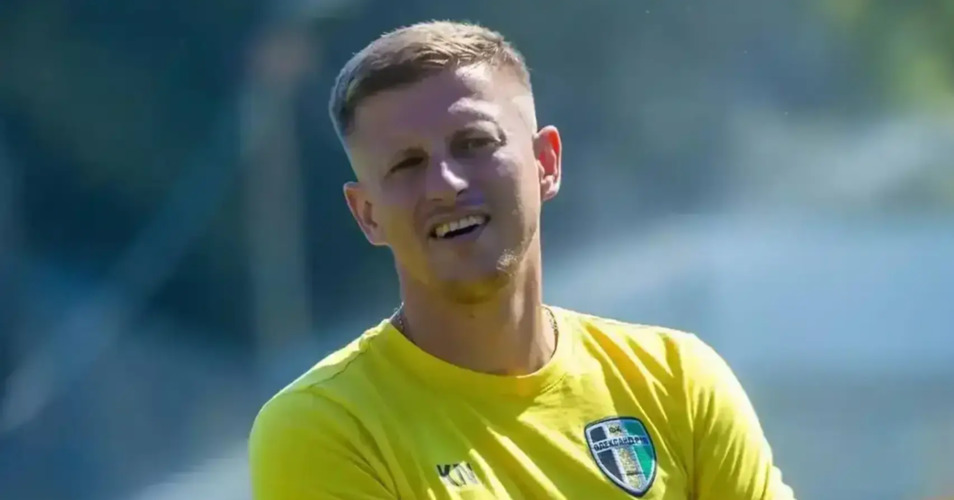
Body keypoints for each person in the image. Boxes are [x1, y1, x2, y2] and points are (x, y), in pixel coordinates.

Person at [249, 20, 795, 499]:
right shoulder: (325, 427)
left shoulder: (678, 383)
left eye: (474, 143)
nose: (445, 183)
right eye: (407, 164)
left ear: (546, 163)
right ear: (367, 214)